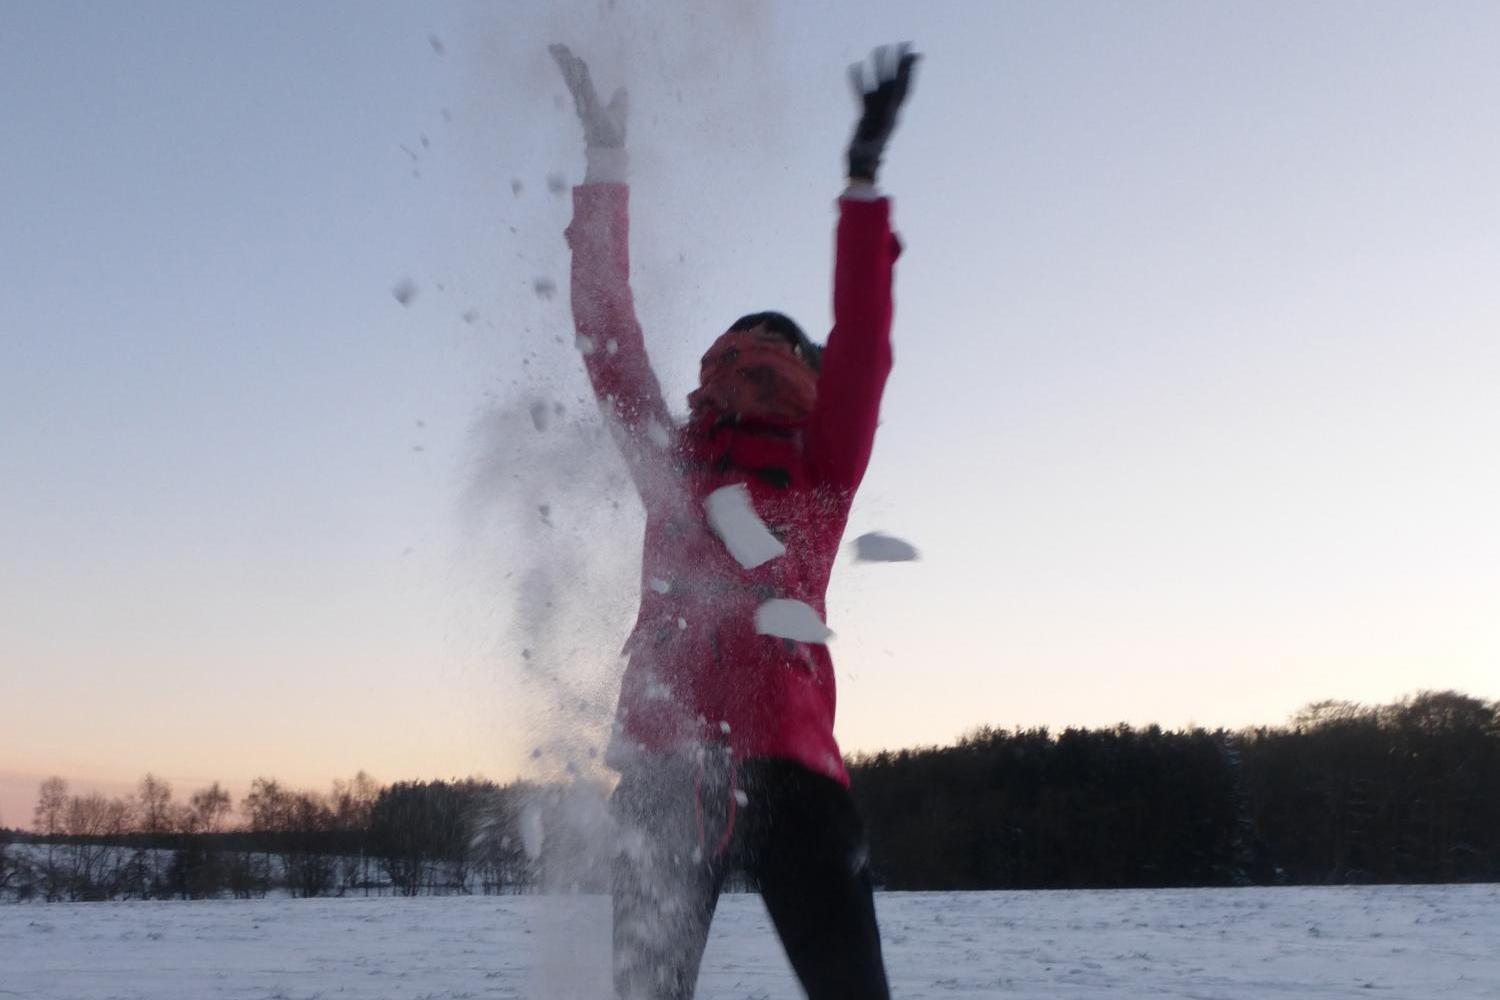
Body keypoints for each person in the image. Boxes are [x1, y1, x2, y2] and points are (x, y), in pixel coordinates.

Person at [550, 41, 917, 1000]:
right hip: (681, 776)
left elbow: (863, 348)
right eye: (738, 359)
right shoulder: (680, 469)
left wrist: (864, 181)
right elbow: (607, 332)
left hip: (780, 779)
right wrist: (606, 165)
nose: (748, 372)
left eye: (769, 358)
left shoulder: (815, 470)